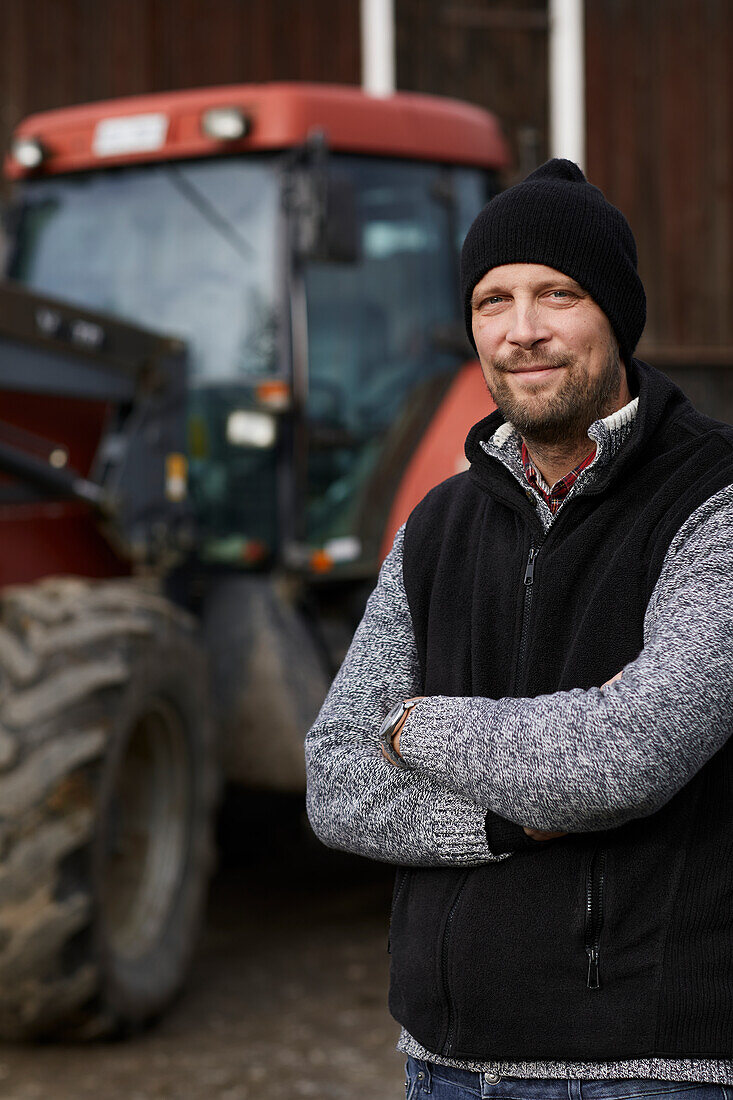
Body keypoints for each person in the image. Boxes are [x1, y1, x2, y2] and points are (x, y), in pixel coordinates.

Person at [304, 159, 733, 1099]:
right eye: (492, 301)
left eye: (557, 294)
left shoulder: (713, 503)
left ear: (615, 313)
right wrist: (501, 820)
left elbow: (621, 757)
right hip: (446, 1065)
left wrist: (411, 726)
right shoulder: (437, 524)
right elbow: (333, 779)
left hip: (645, 1069)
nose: (522, 331)